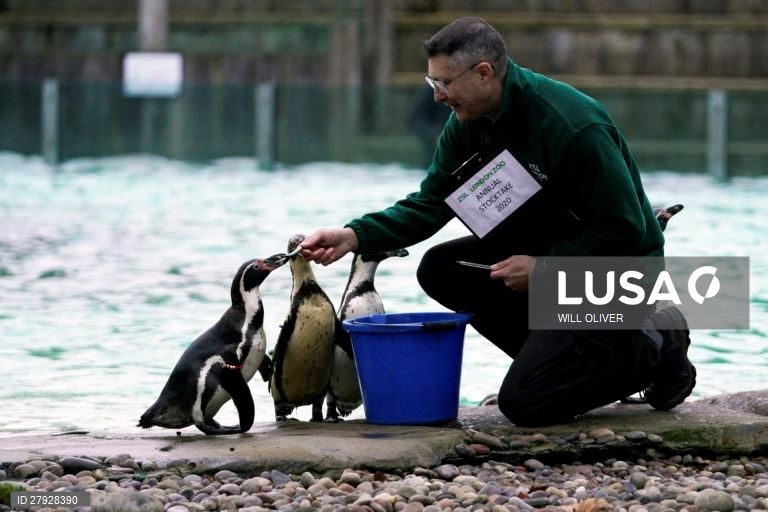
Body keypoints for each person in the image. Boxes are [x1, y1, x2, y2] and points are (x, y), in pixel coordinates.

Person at [299, 17, 696, 427]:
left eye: (443, 83)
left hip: (618, 276)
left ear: (484, 73)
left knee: (525, 404)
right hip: (551, 266)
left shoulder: (572, 125)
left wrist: (545, 270)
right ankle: (573, 364)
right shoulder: (467, 125)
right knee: (442, 270)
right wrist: (352, 235)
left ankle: (657, 340)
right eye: (431, 82)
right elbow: (429, 204)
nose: (436, 96)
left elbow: (628, 231)